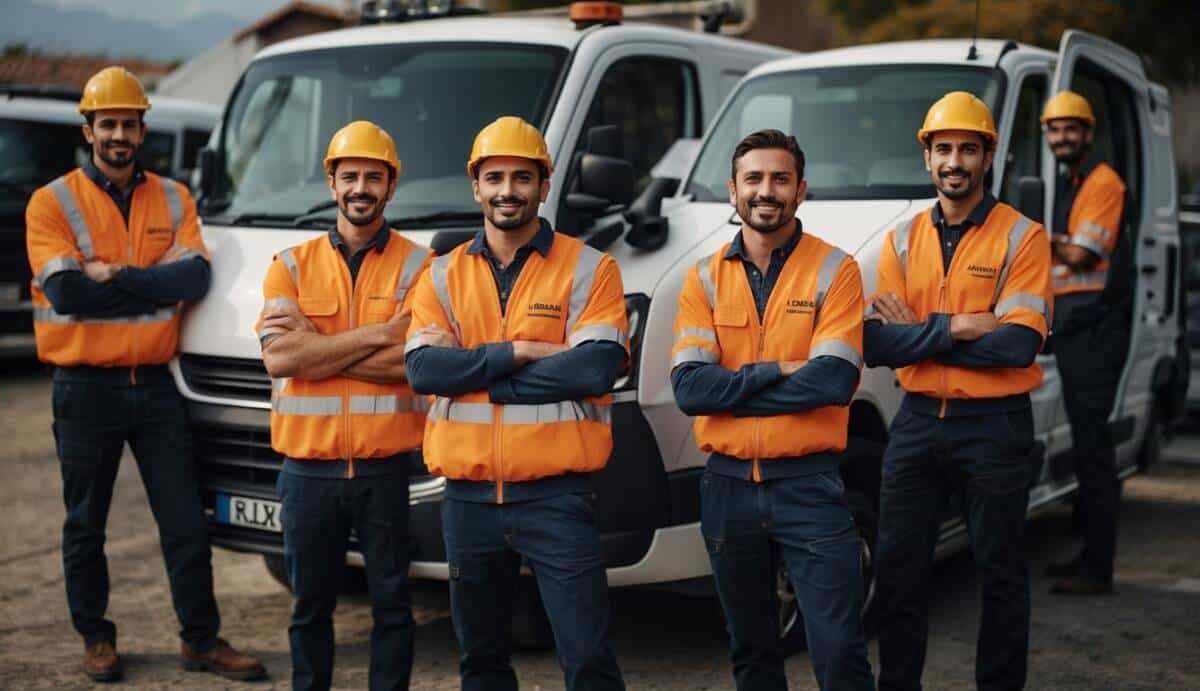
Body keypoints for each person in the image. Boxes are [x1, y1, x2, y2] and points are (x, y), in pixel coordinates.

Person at [24, 65, 266, 683]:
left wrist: (117, 276)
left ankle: (201, 641)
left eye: (129, 123)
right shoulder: (50, 203)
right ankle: (96, 639)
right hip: (84, 388)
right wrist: (140, 283)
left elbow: (194, 279)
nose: (119, 135)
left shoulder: (175, 197)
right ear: (88, 129)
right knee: (86, 524)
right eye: (108, 124)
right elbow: (69, 292)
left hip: (156, 386)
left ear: (141, 128)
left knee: (185, 521)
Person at [404, 115, 627, 691]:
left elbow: (596, 366)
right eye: (495, 177)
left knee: (588, 658)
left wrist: (483, 377)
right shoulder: (443, 276)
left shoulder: (590, 268)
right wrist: (518, 352)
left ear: (544, 186)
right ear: (476, 186)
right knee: (481, 662)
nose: (508, 190)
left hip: (557, 497)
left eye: (522, 177)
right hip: (468, 502)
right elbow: (425, 369)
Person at [670, 129, 875, 691]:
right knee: (753, 652)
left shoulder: (837, 270)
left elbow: (832, 380)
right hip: (727, 489)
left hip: (809, 487)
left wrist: (734, 387)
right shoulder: (704, 277)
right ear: (732, 191)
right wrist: (779, 371)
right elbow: (689, 387)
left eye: (780, 179)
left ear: (801, 190)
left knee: (839, 653)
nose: (767, 191)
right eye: (754, 179)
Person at [865, 91, 1053, 691]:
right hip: (917, 422)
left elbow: (1018, 345)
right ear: (927, 158)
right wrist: (963, 325)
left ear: (987, 157)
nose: (955, 161)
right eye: (943, 148)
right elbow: (876, 345)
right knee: (897, 575)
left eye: (968, 149)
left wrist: (919, 334)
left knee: (999, 574)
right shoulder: (899, 239)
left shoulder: (1023, 238)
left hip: (995, 427)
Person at [257, 120, 430, 690]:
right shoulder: (289, 264)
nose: (361, 187)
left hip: (384, 471)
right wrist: (381, 334)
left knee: (392, 606)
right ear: (332, 183)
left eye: (373, 177)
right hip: (306, 472)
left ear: (390, 186)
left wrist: (318, 346)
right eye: (350, 175)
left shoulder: (421, 267)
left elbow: (416, 366)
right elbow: (281, 360)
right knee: (310, 608)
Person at [1041, 90, 1131, 596]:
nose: (1061, 138)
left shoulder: (1102, 183)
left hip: (1096, 334)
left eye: (1070, 128)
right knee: (1086, 447)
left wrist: (1040, 237)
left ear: (1088, 133)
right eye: (1054, 129)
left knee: (1094, 452)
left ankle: (1098, 570)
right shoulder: (1073, 183)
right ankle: (1088, 557)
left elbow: (1079, 255)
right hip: (1079, 332)